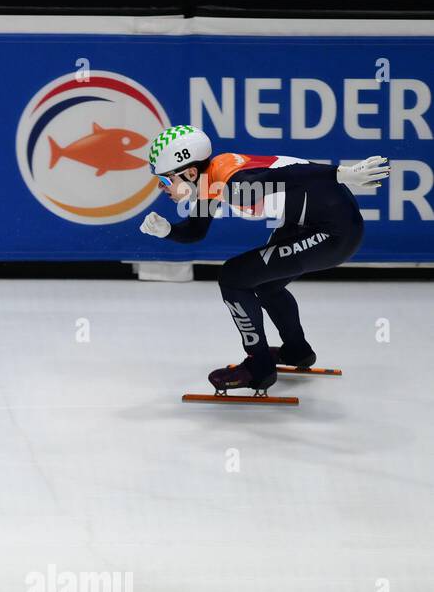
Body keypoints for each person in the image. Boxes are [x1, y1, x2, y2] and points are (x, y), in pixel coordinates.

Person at [139, 124, 389, 392]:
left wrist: (340, 173)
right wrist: (167, 231)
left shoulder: (236, 184)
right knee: (266, 284)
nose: (161, 187)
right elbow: (195, 231)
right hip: (309, 222)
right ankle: (297, 350)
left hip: (335, 232)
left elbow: (294, 174)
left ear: (189, 172)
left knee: (234, 277)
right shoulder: (209, 177)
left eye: (165, 180)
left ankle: (259, 368)